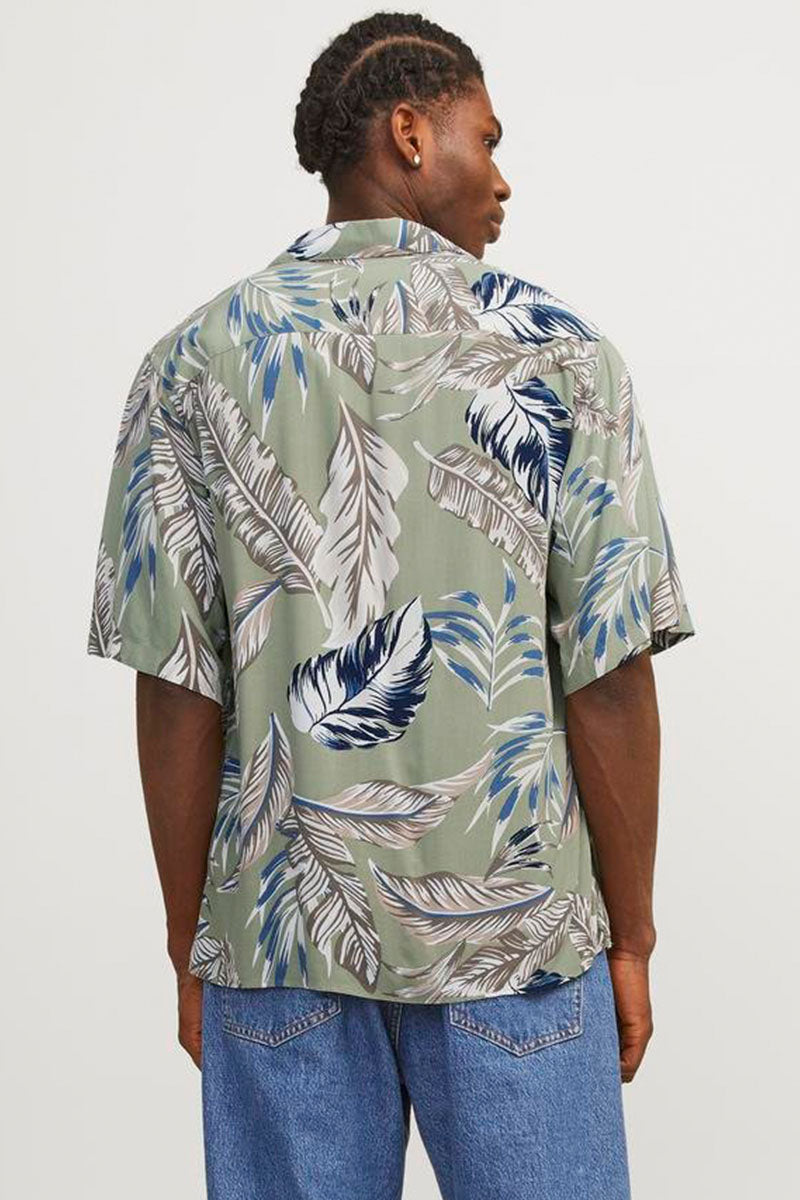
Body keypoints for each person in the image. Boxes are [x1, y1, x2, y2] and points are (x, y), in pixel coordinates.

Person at [86, 11, 697, 1199]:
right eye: (487, 138)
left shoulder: (191, 363)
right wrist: (630, 935)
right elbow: (610, 676)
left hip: (279, 935)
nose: (502, 177)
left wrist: (191, 937)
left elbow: (174, 687)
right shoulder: (561, 357)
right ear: (410, 135)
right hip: (515, 935)